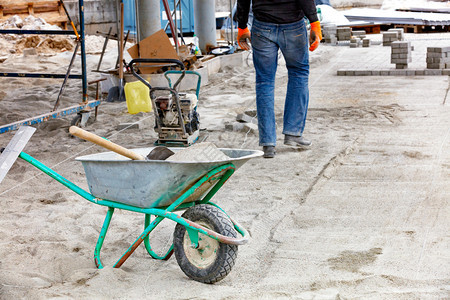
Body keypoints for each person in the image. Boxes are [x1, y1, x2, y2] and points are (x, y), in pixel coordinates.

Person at [236, 0, 322, 158]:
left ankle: (268, 143)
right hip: (293, 26)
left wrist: (242, 26)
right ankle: (293, 133)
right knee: (298, 73)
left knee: (264, 82)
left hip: (262, 26)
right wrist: (314, 21)